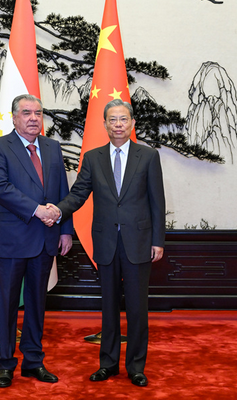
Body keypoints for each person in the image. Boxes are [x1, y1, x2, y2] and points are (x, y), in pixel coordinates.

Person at [49, 99, 165, 387]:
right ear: (104, 125)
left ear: (132, 123)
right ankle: (108, 364)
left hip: (139, 242)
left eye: (123, 119)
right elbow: (78, 194)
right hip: (105, 242)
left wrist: (158, 241)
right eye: (112, 120)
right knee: (109, 307)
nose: (118, 125)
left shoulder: (148, 156)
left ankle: (136, 366)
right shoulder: (93, 158)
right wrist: (58, 211)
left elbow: (157, 202)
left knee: (137, 308)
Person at [0, 94, 73, 388]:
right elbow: (1, 188)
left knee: (37, 304)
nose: (34, 118)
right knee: (8, 305)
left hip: (46, 239)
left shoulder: (52, 147)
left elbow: (62, 190)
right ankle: (5, 364)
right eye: (26, 113)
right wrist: (37, 210)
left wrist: (65, 230)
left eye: (38, 113)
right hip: (11, 241)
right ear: (14, 118)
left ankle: (33, 362)